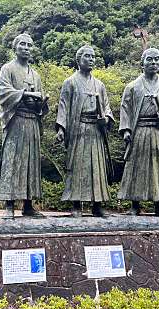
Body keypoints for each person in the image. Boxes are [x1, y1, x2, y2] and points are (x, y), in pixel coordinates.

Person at [118, 48, 159, 216]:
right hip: (140, 131)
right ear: (142, 63)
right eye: (150, 59)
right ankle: (134, 205)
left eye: (157, 59)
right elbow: (125, 109)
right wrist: (126, 131)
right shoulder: (132, 87)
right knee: (137, 167)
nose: (153, 63)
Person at [56, 45, 114, 217]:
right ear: (78, 59)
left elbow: (107, 108)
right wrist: (61, 128)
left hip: (96, 130)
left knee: (97, 166)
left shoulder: (100, 85)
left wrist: (107, 119)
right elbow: (63, 106)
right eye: (87, 56)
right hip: (78, 129)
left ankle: (97, 205)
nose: (91, 59)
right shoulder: (70, 82)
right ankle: (76, 204)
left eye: (93, 56)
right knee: (78, 166)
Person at [0, 33, 48, 219]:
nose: (26, 48)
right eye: (23, 44)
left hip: (32, 121)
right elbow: (3, 92)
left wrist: (40, 102)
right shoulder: (7, 69)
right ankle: (9, 204)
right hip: (16, 120)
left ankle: (28, 204)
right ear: (15, 47)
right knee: (13, 160)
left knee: (31, 163)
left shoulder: (35, 74)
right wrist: (24, 94)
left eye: (29, 45)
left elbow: (40, 100)